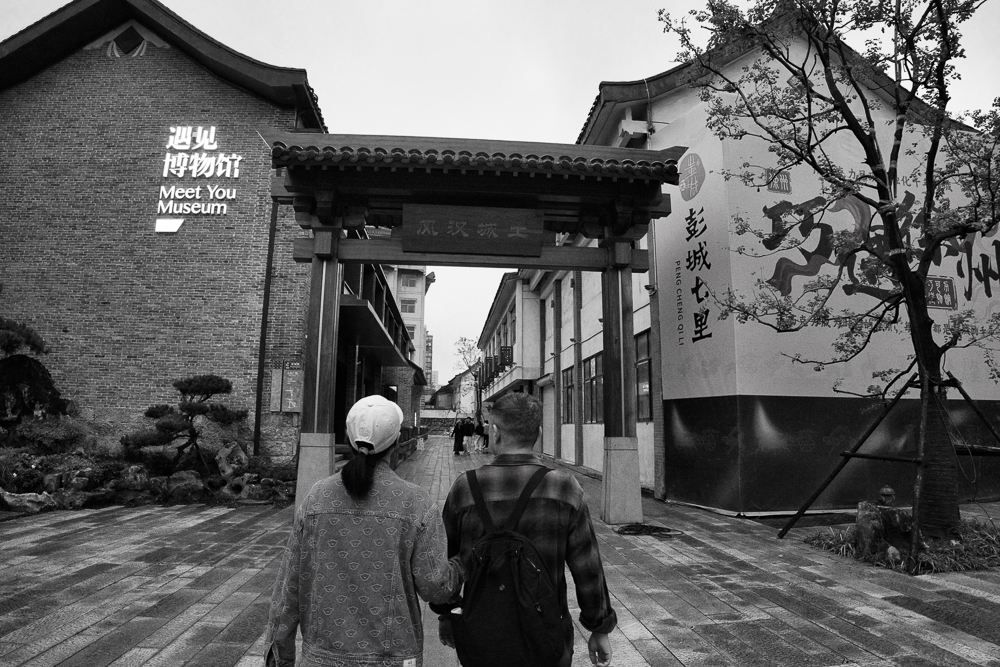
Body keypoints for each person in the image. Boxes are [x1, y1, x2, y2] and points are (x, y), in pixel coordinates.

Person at [264, 395, 465, 667]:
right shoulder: (414, 502)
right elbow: (436, 587)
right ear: (396, 442)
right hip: (393, 657)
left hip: (322, 657)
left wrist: (279, 654)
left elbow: (289, 584)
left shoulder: (317, 498)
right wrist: (462, 562)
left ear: (348, 439)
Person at [432, 392, 616, 667]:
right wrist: (599, 628)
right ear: (538, 433)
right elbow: (587, 567)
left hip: (482, 634)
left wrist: (447, 612)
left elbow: (444, 563)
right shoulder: (564, 487)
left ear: (495, 432)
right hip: (547, 635)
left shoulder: (465, 487)